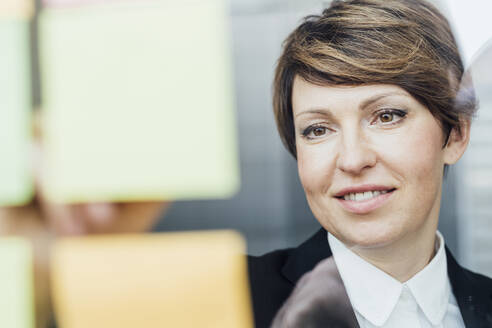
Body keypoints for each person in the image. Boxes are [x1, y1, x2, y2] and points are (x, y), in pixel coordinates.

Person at [248, 0, 492, 327]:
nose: (353, 159)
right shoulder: (225, 301)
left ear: (456, 134)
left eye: (386, 116)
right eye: (318, 130)